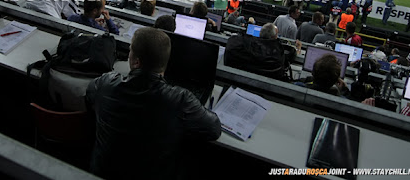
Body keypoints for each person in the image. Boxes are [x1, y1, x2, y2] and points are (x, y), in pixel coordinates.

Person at [85, 27, 221, 180]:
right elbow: (214, 129)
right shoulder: (180, 99)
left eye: (130, 50)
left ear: (136, 61)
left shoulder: (106, 83)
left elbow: (89, 95)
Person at [225, 23, 300, 81]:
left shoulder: (244, 43)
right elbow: (290, 57)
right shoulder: (277, 52)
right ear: (273, 37)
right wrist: (298, 48)